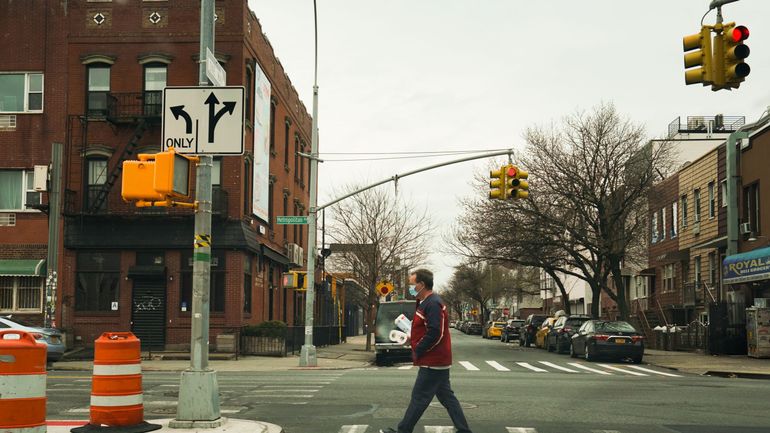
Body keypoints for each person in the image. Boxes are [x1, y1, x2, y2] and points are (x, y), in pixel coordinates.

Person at [379, 268, 473, 433]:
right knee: (447, 397)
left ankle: (403, 430)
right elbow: (426, 330)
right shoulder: (425, 303)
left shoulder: (433, 303)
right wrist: (411, 338)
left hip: (433, 361)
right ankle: (464, 430)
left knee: (419, 398)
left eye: (412, 284)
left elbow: (436, 332)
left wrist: (419, 349)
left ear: (421, 285)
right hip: (437, 360)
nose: (410, 288)